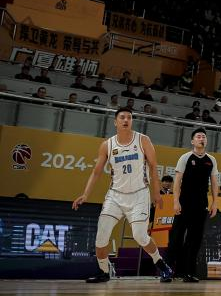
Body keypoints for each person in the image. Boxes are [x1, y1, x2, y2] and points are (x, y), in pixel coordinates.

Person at [72, 108, 174, 283]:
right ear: (115, 122)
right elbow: (96, 172)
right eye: (122, 117)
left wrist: (157, 193)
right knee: (101, 235)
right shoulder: (107, 145)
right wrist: (85, 194)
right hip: (115, 196)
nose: (126, 120)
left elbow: (153, 167)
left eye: (129, 117)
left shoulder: (143, 140)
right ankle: (104, 272)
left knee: (140, 236)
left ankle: (161, 264)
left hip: (139, 194)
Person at [168, 128, 219, 282]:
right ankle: (168, 271)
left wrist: (215, 202)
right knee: (176, 237)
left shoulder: (211, 160)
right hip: (184, 203)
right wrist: (176, 201)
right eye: (198, 136)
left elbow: (214, 183)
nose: (202, 138)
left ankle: (188, 273)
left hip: (201, 204)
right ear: (192, 141)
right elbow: (177, 181)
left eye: (204, 136)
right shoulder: (185, 157)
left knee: (194, 240)